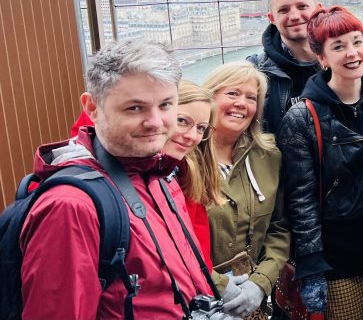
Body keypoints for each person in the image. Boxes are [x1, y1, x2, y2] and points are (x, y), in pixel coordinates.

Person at [19, 40, 219, 319]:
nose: (156, 122)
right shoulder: (71, 207)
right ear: (92, 107)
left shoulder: (159, 174)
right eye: (135, 108)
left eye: (165, 105)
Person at [278, 5, 363, 320]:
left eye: (357, 41)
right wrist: (311, 264)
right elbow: (301, 197)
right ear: (321, 57)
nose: (352, 53)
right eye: (339, 46)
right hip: (336, 254)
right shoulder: (302, 117)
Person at [204, 61, 291, 319]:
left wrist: (260, 283)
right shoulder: (183, 160)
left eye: (251, 97)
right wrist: (220, 286)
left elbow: (279, 227)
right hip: (198, 300)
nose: (242, 103)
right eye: (232, 93)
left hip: (253, 303)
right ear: (209, 97)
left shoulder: (268, 157)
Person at [247, 0, 321, 136]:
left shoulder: (348, 59)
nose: (294, 16)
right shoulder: (254, 70)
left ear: (319, 9)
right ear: (272, 18)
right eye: (284, 10)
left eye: (302, 7)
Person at [163, 80, 221, 271]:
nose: (193, 136)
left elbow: (199, 251)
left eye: (201, 128)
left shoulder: (186, 173)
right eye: (182, 121)